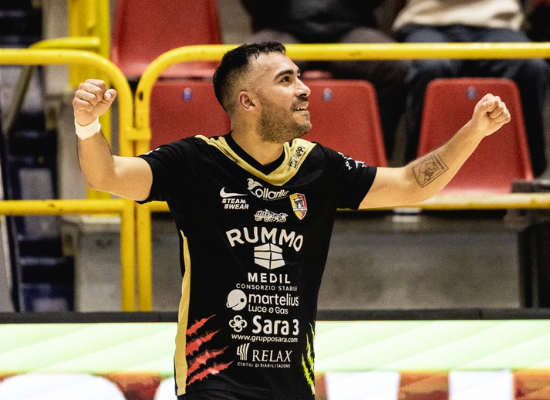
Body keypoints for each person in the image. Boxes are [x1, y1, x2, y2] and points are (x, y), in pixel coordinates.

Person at [73, 42, 510, 400]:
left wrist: (473, 131)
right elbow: (106, 175)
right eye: (286, 81)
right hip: (214, 380)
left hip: (291, 384)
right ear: (248, 101)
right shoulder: (195, 161)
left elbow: (412, 184)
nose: (304, 89)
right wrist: (88, 125)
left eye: (299, 77)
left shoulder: (318, 166)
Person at [241, 0, 410, 162]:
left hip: (350, 28)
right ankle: (260, 160)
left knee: (395, 68)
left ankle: (375, 160)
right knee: (251, 66)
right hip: (279, 27)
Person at [393, 0, 549, 176]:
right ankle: (416, 175)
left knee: (532, 68)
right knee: (429, 68)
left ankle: (531, 176)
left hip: (497, 24)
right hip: (426, 21)